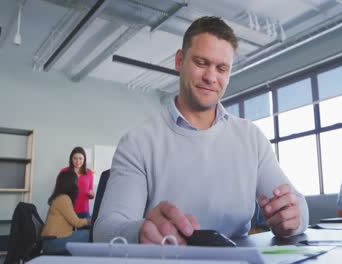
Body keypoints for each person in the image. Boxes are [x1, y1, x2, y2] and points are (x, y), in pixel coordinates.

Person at [94, 16, 309, 244]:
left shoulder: (251, 138)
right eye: (201, 63)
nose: (210, 77)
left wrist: (293, 219)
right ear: (179, 60)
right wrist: (140, 232)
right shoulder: (138, 142)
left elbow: (298, 205)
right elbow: (105, 229)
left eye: (221, 68)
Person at [41, 170, 90, 255]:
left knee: (86, 233)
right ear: (70, 183)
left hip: (52, 240)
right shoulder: (63, 198)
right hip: (52, 243)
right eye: (76, 182)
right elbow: (77, 223)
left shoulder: (60, 197)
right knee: (90, 235)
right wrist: (91, 220)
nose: (77, 185)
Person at [60, 146, 94, 218]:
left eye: (80, 158)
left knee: (86, 229)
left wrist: (91, 195)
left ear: (84, 159)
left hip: (84, 211)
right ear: (71, 159)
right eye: (75, 158)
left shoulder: (89, 172)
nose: (78, 161)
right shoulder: (64, 171)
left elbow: (90, 191)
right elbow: (58, 191)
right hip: (67, 210)